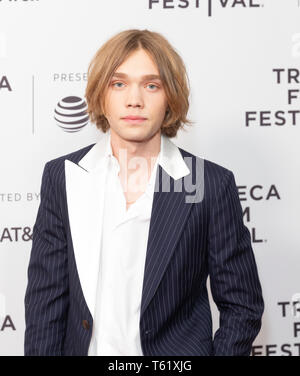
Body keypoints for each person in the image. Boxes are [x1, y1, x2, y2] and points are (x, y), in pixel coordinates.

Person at [24, 29, 264, 356]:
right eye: (118, 83)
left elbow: (242, 306)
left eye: (151, 85)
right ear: (100, 95)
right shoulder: (63, 176)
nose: (134, 99)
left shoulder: (209, 184)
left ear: (170, 98)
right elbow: (45, 306)